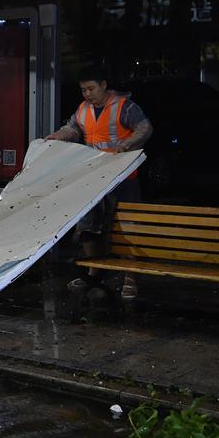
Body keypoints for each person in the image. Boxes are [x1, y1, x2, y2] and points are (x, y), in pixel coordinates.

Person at [46, 65, 153, 300]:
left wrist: (125, 146)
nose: (87, 94)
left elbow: (145, 127)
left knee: (127, 228)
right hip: (95, 179)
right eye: (83, 90)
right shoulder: (84, 109)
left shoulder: (124, 107)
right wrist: (57, 136)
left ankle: (130, 278)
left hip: (124, 178)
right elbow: (72, 128)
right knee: (88, 226)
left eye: (91, 88)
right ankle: (95, 273)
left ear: (104, 85)